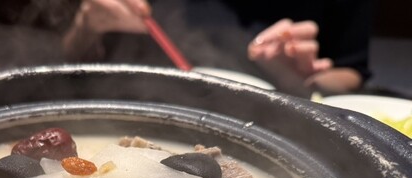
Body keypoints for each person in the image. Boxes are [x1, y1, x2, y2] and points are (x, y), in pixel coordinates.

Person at [62, 0, 372, 95]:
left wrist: (302, 80)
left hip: (273, 119)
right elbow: (67, 60)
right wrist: (87, 25)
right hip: (135, 103)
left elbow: (352, 72)